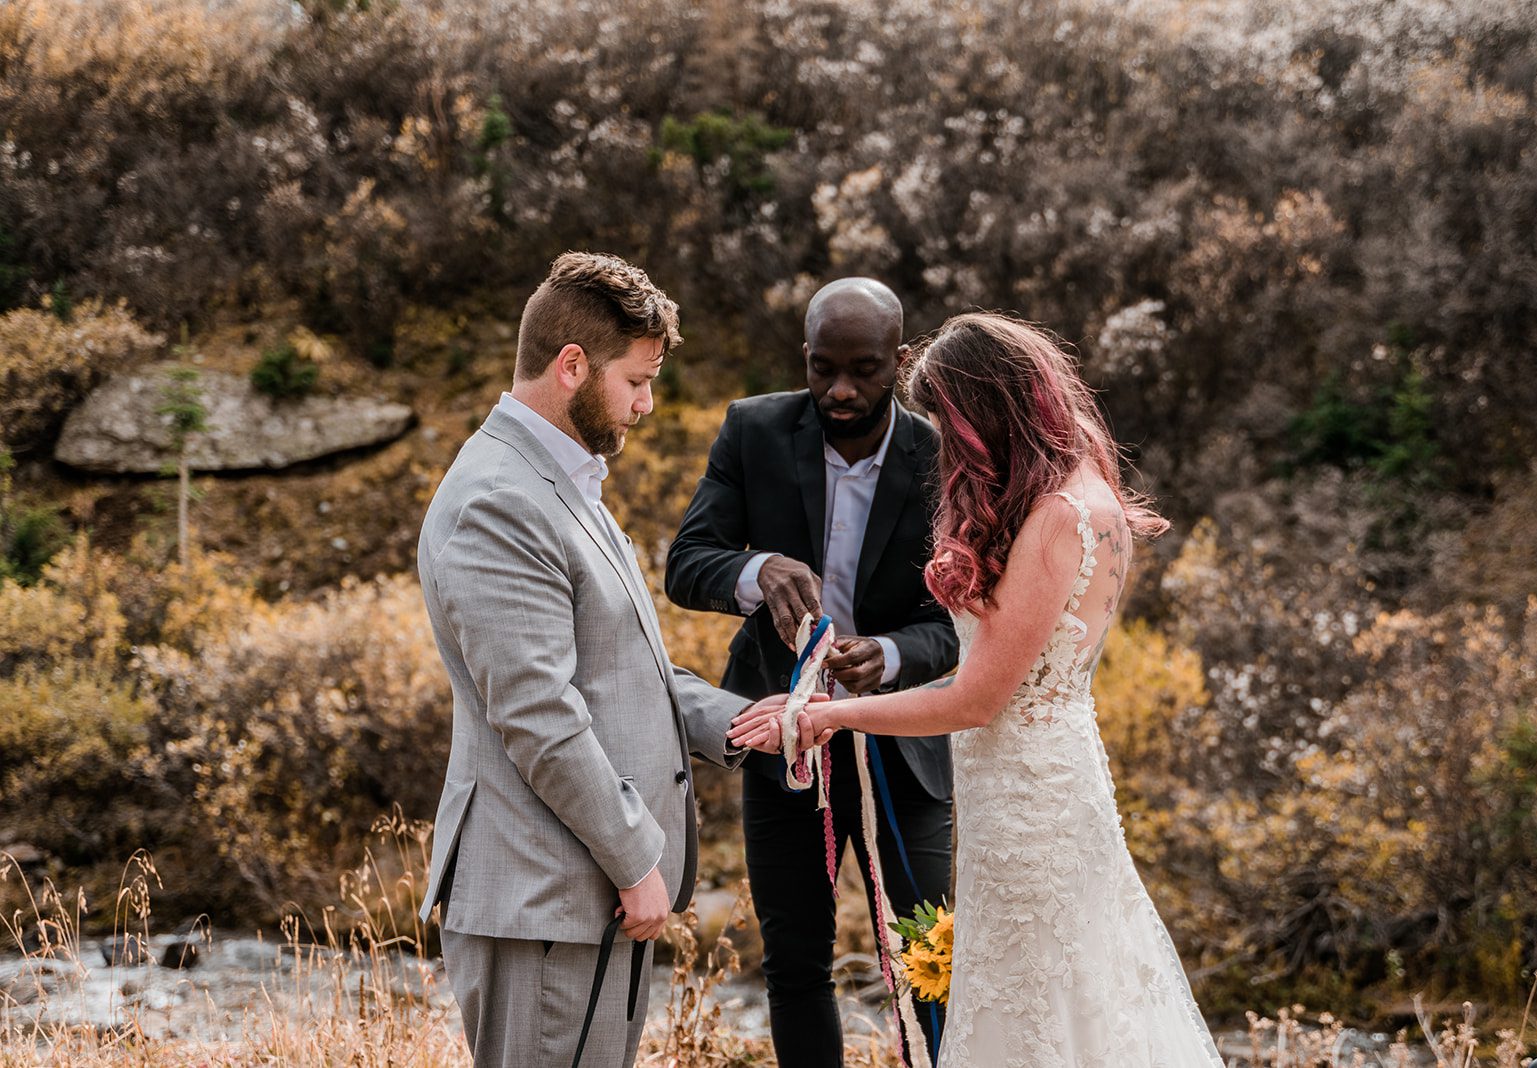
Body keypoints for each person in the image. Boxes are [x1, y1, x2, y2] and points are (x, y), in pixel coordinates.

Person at [730, 312, 1226, 1067]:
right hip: (1040, 777)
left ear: (994, 409)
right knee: (1071, 993)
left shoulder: (1059, 517)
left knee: (1036, 1005)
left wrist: (827, 715)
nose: (947, 445)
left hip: (1031, 800)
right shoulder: (1085, 494)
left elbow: (976, 698)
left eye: (950, 423)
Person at [414, 252, 811, 1068]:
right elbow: (538, 714)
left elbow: (619, 669)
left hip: (576, 895)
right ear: (571, 367)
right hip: (543, 899)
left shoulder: (559, 482)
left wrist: (735, 720)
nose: (648, 402)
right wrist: (637, 861)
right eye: (636, 380)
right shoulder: (501, 499)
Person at [665, 278, 959, 1067]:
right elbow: (686, 564)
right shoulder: (752, 430)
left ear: (901, 360)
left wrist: (891, 656)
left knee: (932, 958)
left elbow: (959, 627)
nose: (839, 390)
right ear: (804, 355)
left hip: (902, 747)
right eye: (822, 367)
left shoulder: (941, 458)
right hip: (783, 743)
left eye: (863, 370)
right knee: (795, 966)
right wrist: (756, 570)